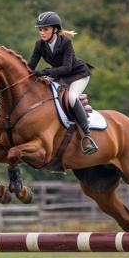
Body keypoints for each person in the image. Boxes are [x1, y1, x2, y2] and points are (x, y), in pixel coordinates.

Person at [27, 11, 98, 155]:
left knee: (72, 97)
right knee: (41, 88)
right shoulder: (39, 45)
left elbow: (67, 68)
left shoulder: (66, 42)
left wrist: (46, 72)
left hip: (78, 74)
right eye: (40, 30)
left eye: (45, 29)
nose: (42, 32)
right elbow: (30, 66)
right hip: (59, 74)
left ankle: (87, 136)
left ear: (55, 29)